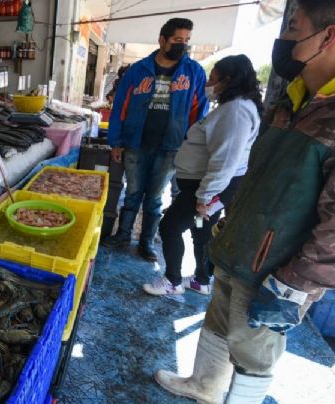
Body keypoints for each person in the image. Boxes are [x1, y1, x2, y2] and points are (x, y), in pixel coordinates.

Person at [154, 1, 335, 402]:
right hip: (240, 245)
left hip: (277, 268)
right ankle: (203, 386)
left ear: (328, 35)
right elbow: (253, 174)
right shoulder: (289, 102)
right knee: (218, 324)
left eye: (294, 26)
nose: (284, 38)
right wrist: (227, 223)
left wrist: (296, 284)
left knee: (254, 350)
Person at [143, 55, 262, 296]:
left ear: (228, 80)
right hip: (203, 188)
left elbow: (225, 160)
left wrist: (205, 197)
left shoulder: (236, 111)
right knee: (200, 229)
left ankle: (172, 281)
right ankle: (201, 279)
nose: (209, 82)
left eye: (213, 78)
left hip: (208, 190)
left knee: (170, 227)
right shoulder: (232, 107)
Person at [103, 18, 208, 261]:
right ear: (162, 40)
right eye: (177, 40)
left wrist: (190, 146)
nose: (182, 45)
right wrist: (116, 141)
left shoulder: (193, 72)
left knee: (155, 197)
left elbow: (198, 112)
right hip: (136, 143)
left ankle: (146, 242)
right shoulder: (137, 71)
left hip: (171, 147)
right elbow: (120, 108)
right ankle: (123, 235)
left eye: (186, 41)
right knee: (133, 193)